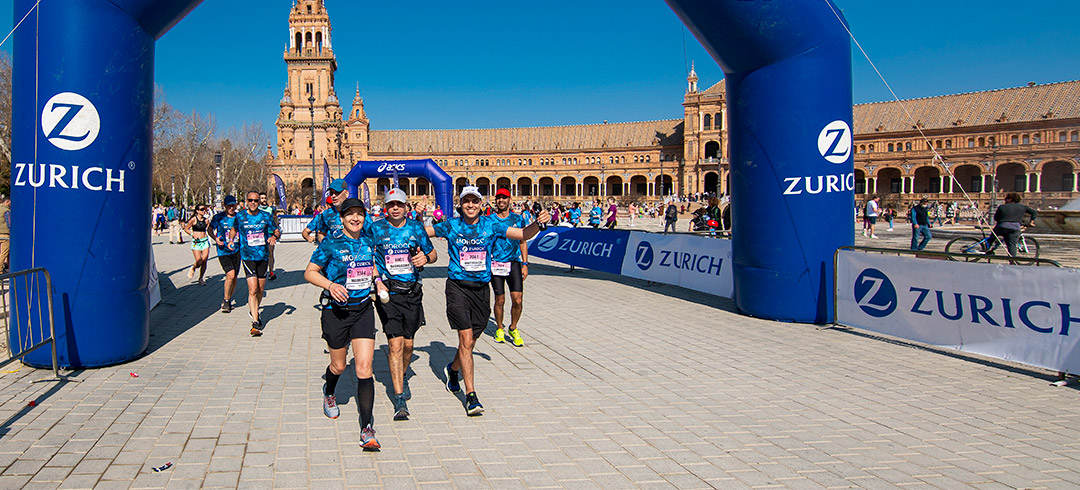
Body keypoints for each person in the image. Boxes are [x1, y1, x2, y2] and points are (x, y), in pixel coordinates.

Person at [423, 186, 549, 416]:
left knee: (471, 342)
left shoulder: (491, 225)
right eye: (466, 201)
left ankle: (453, 369)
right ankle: (471, 396)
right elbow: (422, 231)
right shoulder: (451, 225)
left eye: (475, 201)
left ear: (481, 204)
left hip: (481, 289)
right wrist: (415, 218)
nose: (470, 205)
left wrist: (539, 224)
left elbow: (523, 235)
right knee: (465, 338)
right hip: (457, 287)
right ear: (460, 204)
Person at [304, 198, 382, 450]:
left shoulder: (369, 240)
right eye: (350, 214)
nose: (355, 218)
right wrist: (330, 285)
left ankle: (367, 429)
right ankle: (329, 392)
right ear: (342, 218)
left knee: (364, 368)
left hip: (363, 309)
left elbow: (371, 266)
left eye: (359, 214)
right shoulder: (331, 242)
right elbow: (310, 272)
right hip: (336, 312)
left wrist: (378, 280)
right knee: (338, 365)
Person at [369, 188, 437, 422]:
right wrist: (377, 280)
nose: (395, 208)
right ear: (385, 208)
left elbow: (433, 254)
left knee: (408, 344)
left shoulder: (416, 228)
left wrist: (425, 258)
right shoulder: (376, 228)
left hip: (412, 292)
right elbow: (367, 255)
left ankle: (403, 373)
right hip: (388, 293)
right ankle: (399, 399)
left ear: (406, 207)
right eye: (391, 204)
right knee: (395, 344)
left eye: (399, 204)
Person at [236, 191, 280, 336]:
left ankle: (254, 309)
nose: (253, 203)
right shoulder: (240, 216)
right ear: (246, 201)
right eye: (250, 200)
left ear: (259, 202)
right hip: (247, 255)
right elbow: (233, 229)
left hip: (262, 256)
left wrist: (274, 237)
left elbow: (276, 230)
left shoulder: (265, 216)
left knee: (260, 289)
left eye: (256, 200)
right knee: (253, 289)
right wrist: (230, 240)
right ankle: (255, 321)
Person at [489, 188, 529, 348]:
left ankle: (513, 327)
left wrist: (525, 263)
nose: (501, 200)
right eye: (498, 198)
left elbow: (523, 241)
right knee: (500, 299)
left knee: (517, 299)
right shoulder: (490, 220)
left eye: (504, 198)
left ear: (509, 200)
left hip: (514, 263)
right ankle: (499, 328)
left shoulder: (518, 219)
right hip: (496, 264)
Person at [208, 195, 241, 313]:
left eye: (233, 205)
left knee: (235, 276)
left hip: (237, 250)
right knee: (230, 275)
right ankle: (226, 300)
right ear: (224, 206)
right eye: (229, 206)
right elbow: (209, 229)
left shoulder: (239, 217)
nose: (231, 208)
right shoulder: (218, 217)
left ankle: (228, 298)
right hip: (223, 250)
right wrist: (215, 238)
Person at [304, 179, 350, 244]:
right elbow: (321, 233)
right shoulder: (326, 214)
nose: (333, 196)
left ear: (346, 193)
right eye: (331, 193)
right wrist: (325, 246)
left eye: (337, 192)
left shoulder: (356, 212)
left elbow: (365, 233)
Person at [992, 192, 1038, 257]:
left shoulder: (1002, 207)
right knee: (1011, 245)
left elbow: (996, 218)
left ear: (1011, 199)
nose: (1005, 200)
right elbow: (1034, 212)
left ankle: (986, 249)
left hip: (1001, 226)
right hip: (1014, 228)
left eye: (1007, 198)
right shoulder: (1022, 207)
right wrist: (1031, 222)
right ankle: (1012, 260)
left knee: (991, 238)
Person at [184, 204, 211, 285]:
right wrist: (192, 234)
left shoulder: (206, 220)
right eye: (202, 209)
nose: (204, 211)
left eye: (205, 209)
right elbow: (186, 229)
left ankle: (201, 278)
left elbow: (209, 230)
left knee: (204, 261)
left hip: (204, 241)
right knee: (199, 261)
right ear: (197, 211)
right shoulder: (193, 219)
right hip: (196, 242)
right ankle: (193, 267)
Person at [258, 193, 279, 280]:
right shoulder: (257, 209)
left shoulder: (270, 209)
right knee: (261, 253)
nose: (264, 200)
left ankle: (271, 271)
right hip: (260, 234)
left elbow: (274, 220)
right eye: (262, 198)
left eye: (265, 198)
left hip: (270, 233)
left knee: (270, 252)